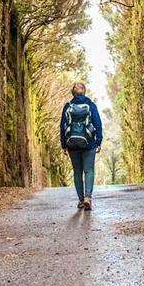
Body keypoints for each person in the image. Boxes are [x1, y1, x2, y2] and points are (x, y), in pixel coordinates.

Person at [59, 82, 103, 210]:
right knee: (89, 170)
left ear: (73, 93)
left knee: (77, 171)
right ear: (84, 91)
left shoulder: (68, 106)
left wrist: (63, 144)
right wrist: (98, 141)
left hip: (72, 144)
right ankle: (88, 197)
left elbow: (63, 126)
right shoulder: (90, 105)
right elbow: (98, 124)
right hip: (89, 143)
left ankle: (80, 199)